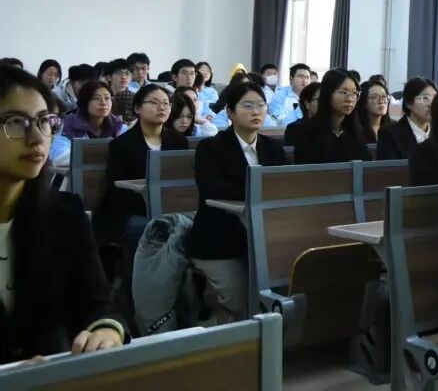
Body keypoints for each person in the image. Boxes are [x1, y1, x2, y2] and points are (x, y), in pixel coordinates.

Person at [0, 65, 128, 363]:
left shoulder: (65, 213)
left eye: (44, 121)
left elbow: (97, 302)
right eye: (16, 122)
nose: (36, 137)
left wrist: (107, 330)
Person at [187, 82, 287, 323]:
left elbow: (283, 187)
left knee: (283, 294)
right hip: (221, 240)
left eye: (261, 105)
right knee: (242, 303)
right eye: (248, 106)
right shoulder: (211, 148)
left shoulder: (273, 148)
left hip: (265, 240)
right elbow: (212, 189)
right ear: (230, 113)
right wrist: (259, 189)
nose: (256, 112)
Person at [92, 84, 187, 314]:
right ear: (137, 108)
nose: (162, 108)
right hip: (126, 213)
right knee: (144, 229)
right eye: (154, 103)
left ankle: (179, 299)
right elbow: (116, 191)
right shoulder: (122, 145)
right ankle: (133, 299)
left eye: (166, 103)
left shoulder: (178, 142)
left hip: (168, 210)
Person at [292, 70, 372, 164]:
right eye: (344, 92)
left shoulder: (357, 131)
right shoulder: (306, 132)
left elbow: (366, 165)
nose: (350, 99)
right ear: (327, 94)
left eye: (354, 93)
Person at [376, 77, 435, 161]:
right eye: (425, 98)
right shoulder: (389, 134)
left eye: (435, 98)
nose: (432, 104)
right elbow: (389, 168)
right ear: (408, 103)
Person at [283, 82, 320, 147]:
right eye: (320, 99)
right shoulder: (294, 129)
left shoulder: (333, 127)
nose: (325, 103)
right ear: (307, 104)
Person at [356, 79, 388, 146]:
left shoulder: (394, 129)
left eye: (384, 96)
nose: (381, 101)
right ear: (364, 102)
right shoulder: (356, 131)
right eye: (375, 97)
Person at [105, 58, 137, 123]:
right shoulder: (103, 97)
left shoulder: (135, 98)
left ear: (131, 76)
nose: (124, 77)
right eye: (119, 73)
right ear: (109, 77)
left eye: (127, 73)